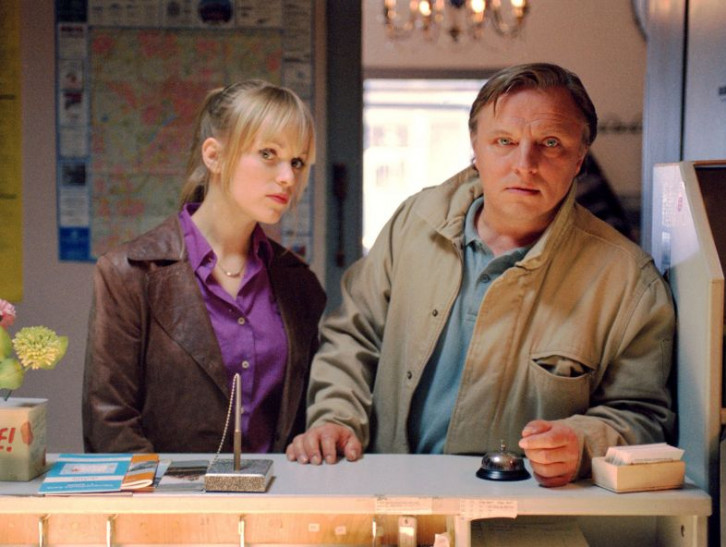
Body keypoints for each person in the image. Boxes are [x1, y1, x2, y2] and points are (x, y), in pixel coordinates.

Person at [286, 63, 675, 487]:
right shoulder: (414, 222)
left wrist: (583, 443)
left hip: (525, 510)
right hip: (387, 493)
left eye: (550, 143)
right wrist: (336, 418)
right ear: (475, 147)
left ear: (580, 157)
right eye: (504, 141)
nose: (525, 164)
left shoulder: (629, 281)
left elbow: (643, 416)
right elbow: (352, 337)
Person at [83, 80, 326, 454]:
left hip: (277, 488)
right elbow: (109, 427)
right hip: (165, 491)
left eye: (296, 161)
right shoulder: (127, 274)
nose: (288, 178)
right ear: (214, 156)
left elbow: (305, 419)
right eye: (268, 154)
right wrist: (183, 495)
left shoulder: (300, 283)